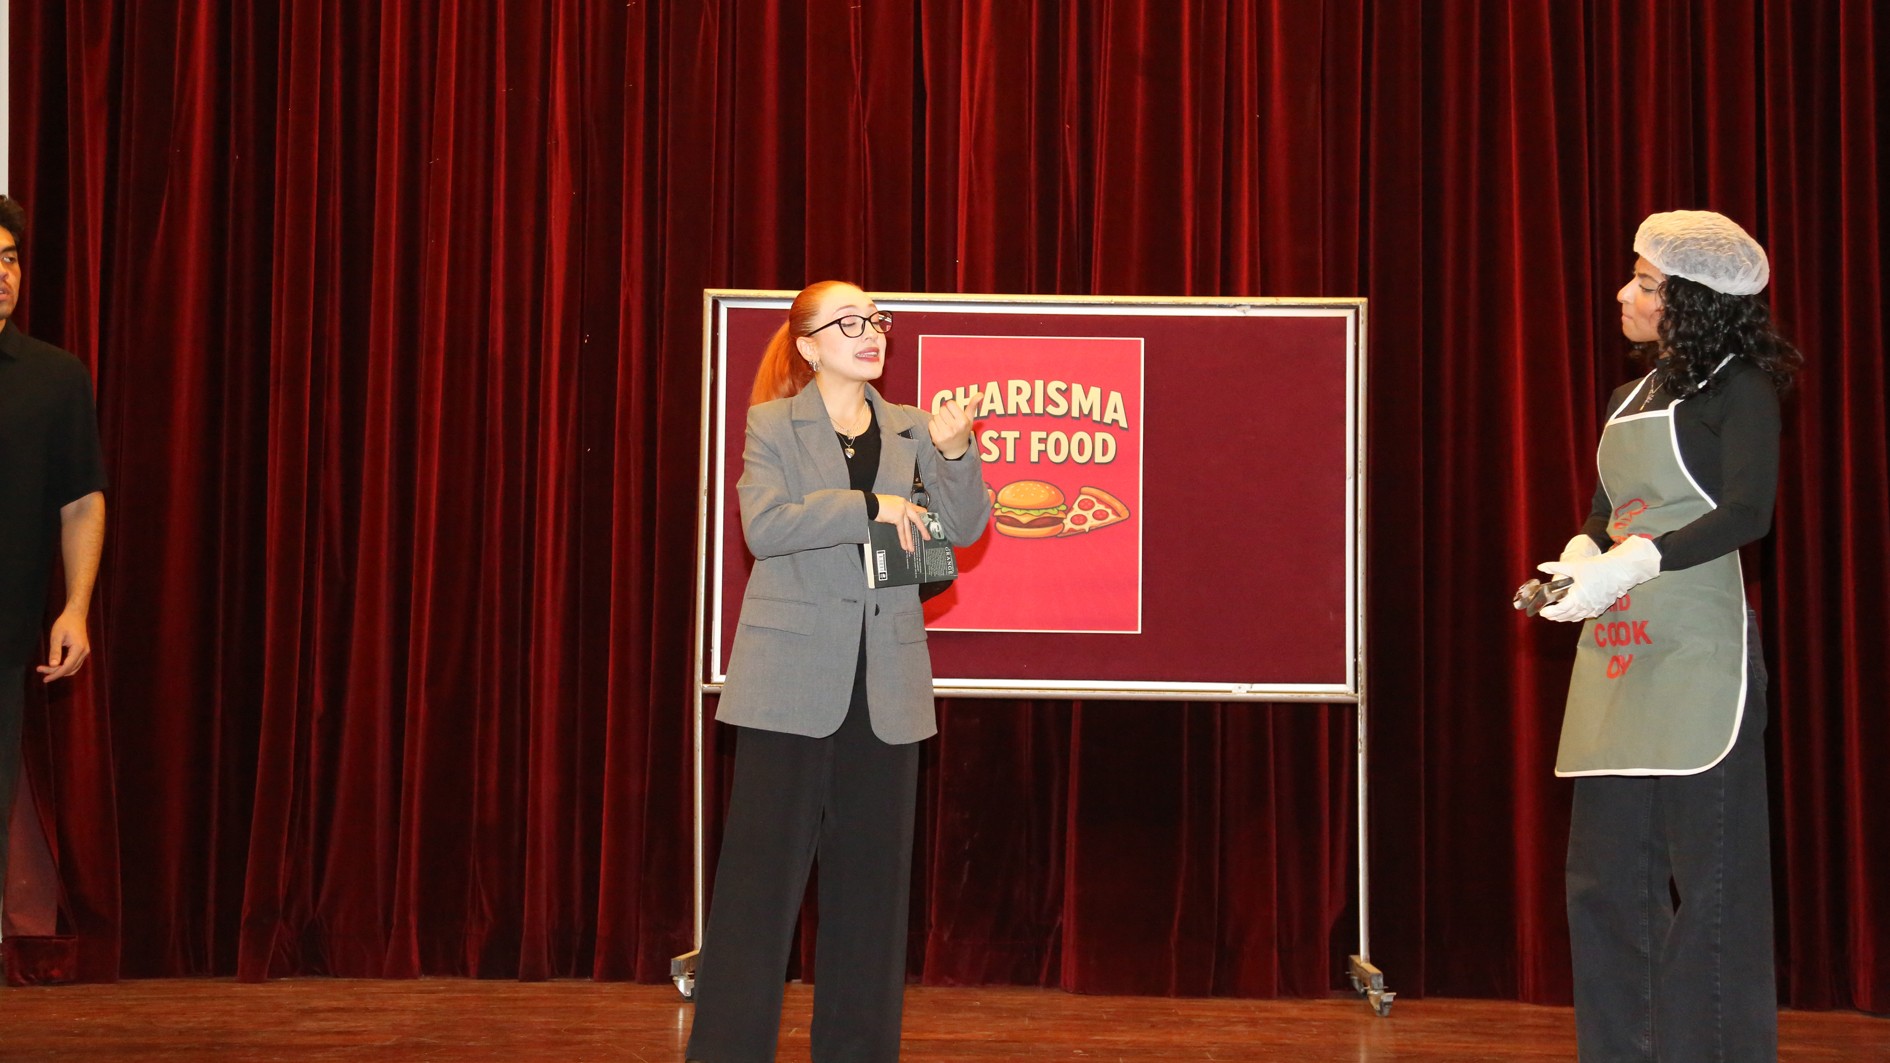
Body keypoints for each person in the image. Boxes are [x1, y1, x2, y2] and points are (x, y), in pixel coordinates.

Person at [685, 281, 990, 1061]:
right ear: (809, 345)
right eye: (848, 322)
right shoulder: (773, 424)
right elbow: (765, 524)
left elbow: (963, 527)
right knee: (758, 891)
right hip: (787, 681)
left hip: (886, 685)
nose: (869, 332)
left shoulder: (913, 427)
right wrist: (870, 507)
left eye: (875, 320)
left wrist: (957, 451)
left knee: (871, 896)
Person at [1531, 210, 1800, 1061]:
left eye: (1645, 283)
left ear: (1693, 299)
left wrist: (1638, 560)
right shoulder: (1629, 397)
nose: (1624, 293)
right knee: (1603, 882)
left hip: (1698, 656)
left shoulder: (1741, 388)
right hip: (1622, 653)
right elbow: (1607, 512)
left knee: (1713, 888)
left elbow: (1748, 512)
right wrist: (1583, 557)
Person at [0, 195, 109, 932]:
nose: (3, 274)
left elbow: (81, 500)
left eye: (9, 259)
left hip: (3, 640)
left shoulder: (54, 378)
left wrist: (75, 607)